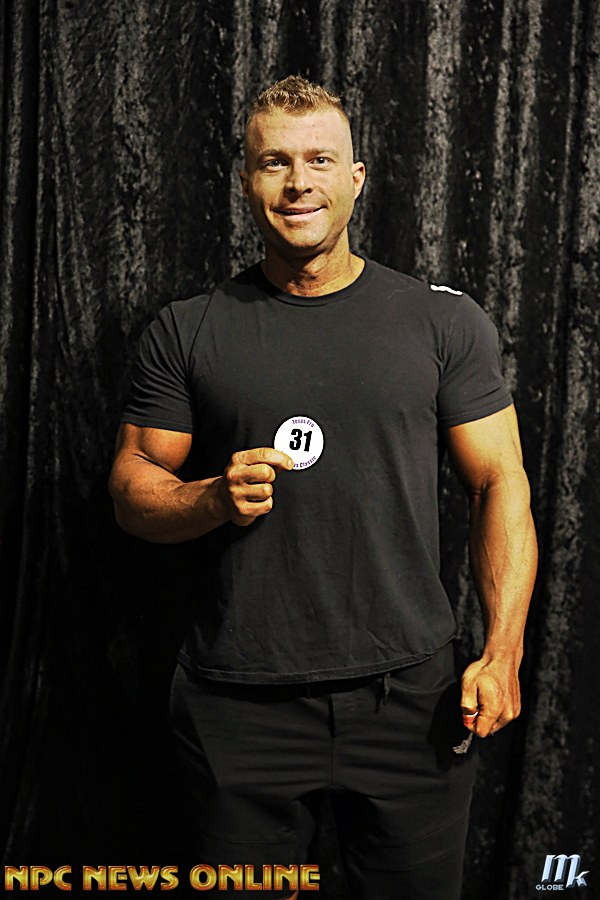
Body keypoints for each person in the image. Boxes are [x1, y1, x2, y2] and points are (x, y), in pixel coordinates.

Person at [109, 76, 537, 900]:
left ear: (356, 177)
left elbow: (500, 482)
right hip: (238, 709)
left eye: (319, 160)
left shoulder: (442, 322)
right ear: (246, 180)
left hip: (413, 704)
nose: (298, 182)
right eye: (275, 162)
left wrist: (503, 650)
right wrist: (209, 498)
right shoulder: (188, 328)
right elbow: (131, 489)